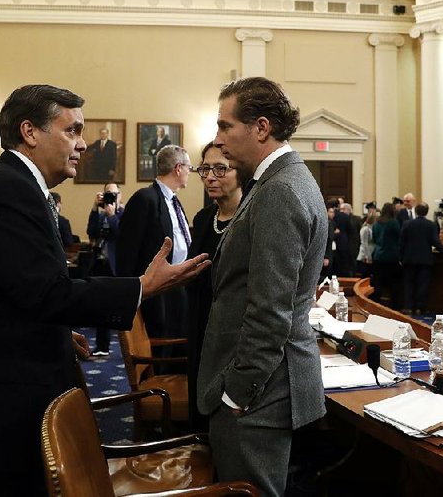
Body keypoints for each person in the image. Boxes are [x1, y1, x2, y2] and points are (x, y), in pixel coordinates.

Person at [0, 84, 210, 496]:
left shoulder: (15, 184)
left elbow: (9, 290)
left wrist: (54, 331)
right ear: (30, 132)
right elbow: (46, 292)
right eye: (73, 130)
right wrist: (141, 288)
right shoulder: (5, 188)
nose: (84, 142)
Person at [197, 77, 327, 496]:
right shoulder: (279, 182)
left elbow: (271, 310)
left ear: (261, 128)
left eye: (224, 126)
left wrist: (237, 394)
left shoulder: (280, 190)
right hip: (263, 387)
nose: (218, 138)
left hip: (258, 395)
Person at [187, 141, 242, 431]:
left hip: (232, 331)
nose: (210, 176)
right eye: (205, 169)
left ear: (241, 173)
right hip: (200, 319)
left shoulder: (250, 219)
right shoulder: (203, 218)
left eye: (221, 169)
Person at [118, 145, 193, 344]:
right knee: (159, 348)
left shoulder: (175, 202)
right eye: (189, 168)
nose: (189, 173)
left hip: (177, 290)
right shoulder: (144, 199)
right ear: (178, 168)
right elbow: (127, 253)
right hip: (155, 296)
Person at [86, 182, 124, 357]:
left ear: (120, 196)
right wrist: (95, 208)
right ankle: (102, 346)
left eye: (113, 194)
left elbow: (122, 236)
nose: (110, 197)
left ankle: (130, 348)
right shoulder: (100, 216)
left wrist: (112, 216)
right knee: (101, 308)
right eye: (107, 194)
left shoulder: (124, 215)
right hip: (100, 266)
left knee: (119, 310)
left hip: (116, 268)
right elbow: (91, 232)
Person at [398, 203, 443, 314]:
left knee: (408, 284)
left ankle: (409, 307)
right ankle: (420, 307)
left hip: (409, 258)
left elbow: (401, 242)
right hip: (425, 259)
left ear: (415, 211)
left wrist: (400, 257)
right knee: (422, 284)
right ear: (427, 212)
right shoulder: (431, 225)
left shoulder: (407, 224)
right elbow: (435, 241)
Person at [371, 202, 401, 309]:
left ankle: (376, 305)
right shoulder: (394, 223)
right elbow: (399, 238)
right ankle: (395, 307)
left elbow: (374, 238)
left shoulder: (376, 223)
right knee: (394, 283)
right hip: (391, 256)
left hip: (378, 255)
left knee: (378, 282)